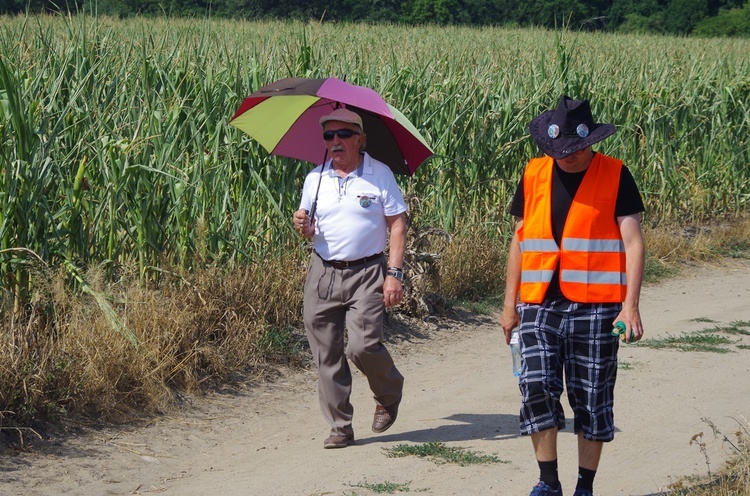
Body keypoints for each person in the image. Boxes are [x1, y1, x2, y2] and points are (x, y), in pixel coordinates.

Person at [499, 96, 646, 496]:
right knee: (535, 386)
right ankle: (549, 484)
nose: (567, 156)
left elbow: (633, 243)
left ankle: (585, 487)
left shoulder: (616, 175)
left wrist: (630, 307)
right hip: (539, 302)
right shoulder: (533, 174)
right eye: (559, 150)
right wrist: (508, 305)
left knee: (592, 397)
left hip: (598, 307)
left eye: (575, 149)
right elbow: (520, 240)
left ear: (590, 141)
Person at [292, 108, 406, 449]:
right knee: (325, 354)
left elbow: (397, 224)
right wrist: (303, 226)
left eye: (343, 134)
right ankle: (340, 427)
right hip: (322, 272)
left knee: (362, 346)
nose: (335, 142)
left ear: (360, 138)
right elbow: (309, 228)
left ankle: (388, 393)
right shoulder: (316, 178)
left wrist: (394, 275)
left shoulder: (379, 174)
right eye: (329, 136)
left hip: (367, 272)